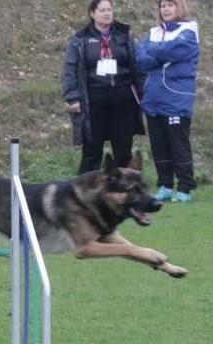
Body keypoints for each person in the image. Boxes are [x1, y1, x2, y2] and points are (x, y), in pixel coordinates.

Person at [61, 0, 145, 174]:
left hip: (123, 99)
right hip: (93, 100)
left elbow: (137, 65)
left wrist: (143, 91)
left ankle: (125, 192)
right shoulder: (80, 39)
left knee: (123, 149)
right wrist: (72, 96)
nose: (107, 13)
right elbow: (69, 69)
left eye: (109, 10)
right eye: (102, 10)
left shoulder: (124, 35)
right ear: (93, 14)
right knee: (92, 149)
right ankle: (84, 191)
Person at [135, 0, 199, 202]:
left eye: (170, 5)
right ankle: (165, 185)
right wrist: (161, 51)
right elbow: (141, 59)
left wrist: (154, 50)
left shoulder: (189, 30)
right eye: (163, 6)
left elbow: (176, 51)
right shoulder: (153, 32)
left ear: (179, 7)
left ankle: (185, 187)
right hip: (153, 97)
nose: (166, 9)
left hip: (176, 97)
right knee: (159, 144)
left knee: (177, 144)